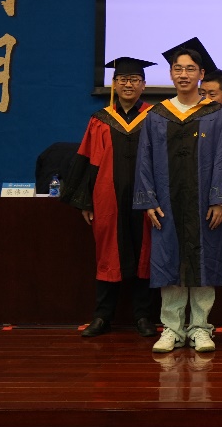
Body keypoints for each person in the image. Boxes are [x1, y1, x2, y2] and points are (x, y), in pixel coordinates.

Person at [135, 38, 222, 354]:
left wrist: (220, 200)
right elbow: (144, 160)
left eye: (190, 69)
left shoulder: (218, 114)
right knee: (168, 261)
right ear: (171, 73)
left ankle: (200, 327)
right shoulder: (157, 115)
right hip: (166, 203)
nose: (183, 74)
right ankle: (171, 329)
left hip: (204, 203)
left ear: (201, 74)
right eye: (178, 69)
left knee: (204, 262)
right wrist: (149, 201)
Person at [61, 56, 159, 339]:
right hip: (107, 200)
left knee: (145, 254)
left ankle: (143, 316)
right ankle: (102, 316)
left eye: (134, 80)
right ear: (114, 84)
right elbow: (87, 160)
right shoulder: (99, 120)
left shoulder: (155, 118)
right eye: (123, 80)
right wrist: (86, 201)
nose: (128, 84)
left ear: (143, 85)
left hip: (146, 200)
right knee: (108, 254)